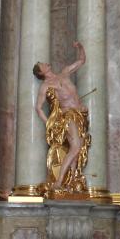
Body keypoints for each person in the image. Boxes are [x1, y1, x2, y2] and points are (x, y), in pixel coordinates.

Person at [34, 41, 88, 191]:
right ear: (41, 72)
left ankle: (70, 182)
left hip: (80, 115)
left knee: (76, 150)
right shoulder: (46, 86)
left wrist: (80, 47)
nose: (45, 63)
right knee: (76, 146)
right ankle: (58, 181)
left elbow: (81, 60)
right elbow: (38, 108)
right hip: (67, 115)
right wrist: (50, 124)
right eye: (42, 64)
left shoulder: (64, 73)